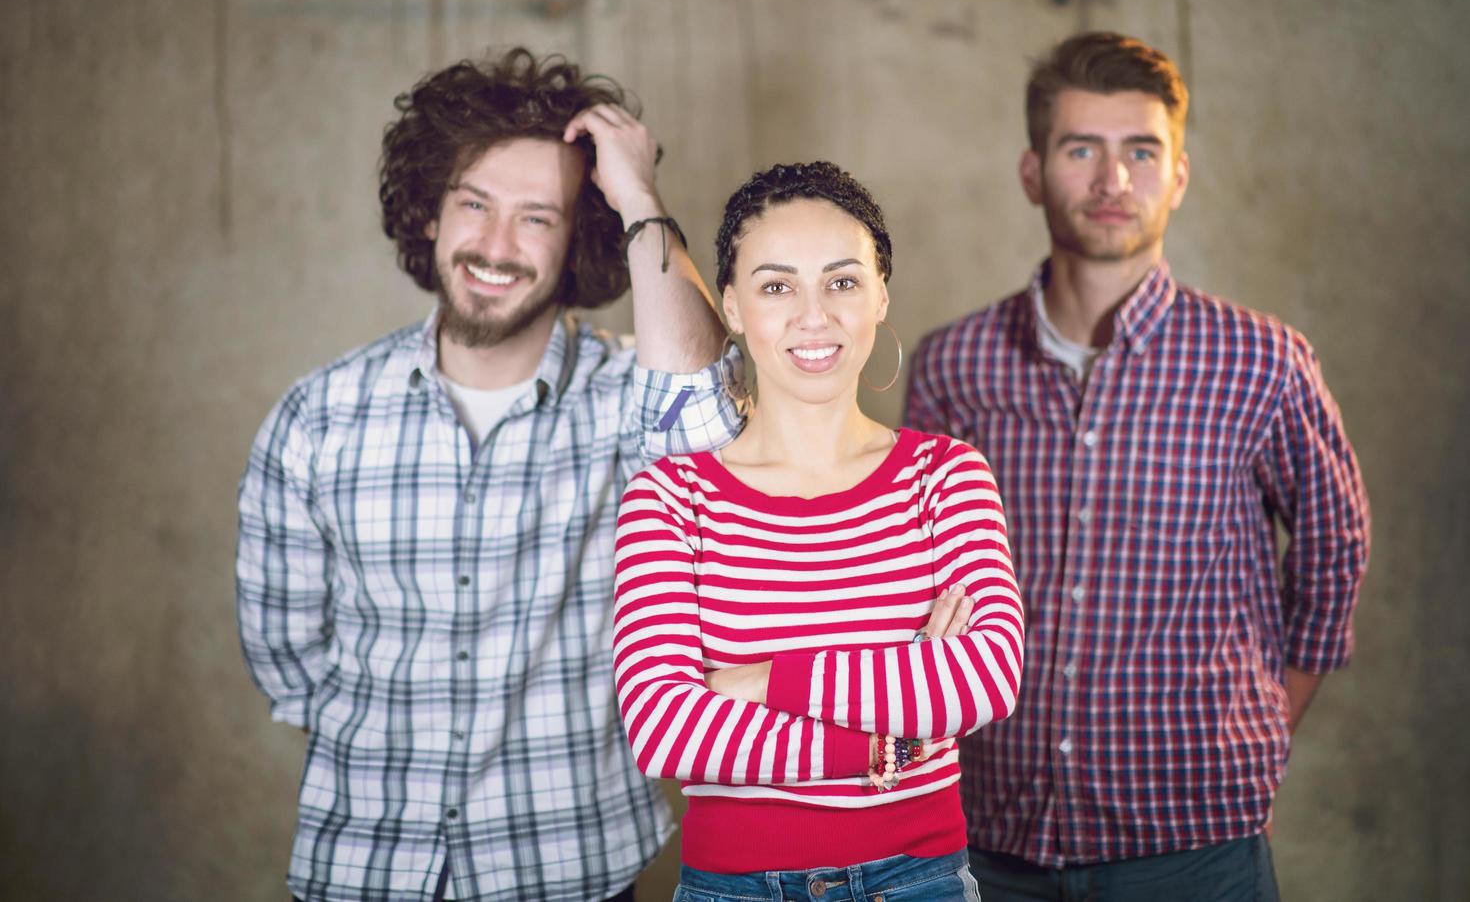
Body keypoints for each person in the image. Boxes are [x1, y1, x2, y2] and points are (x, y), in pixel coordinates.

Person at [235, 48, 744, 902]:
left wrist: (639, 200)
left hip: (574, 868)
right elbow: (288, 656)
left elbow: (707, 429)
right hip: (366, 870)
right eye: (475, 204)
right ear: (429, 211)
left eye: (538, 218)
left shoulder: (630, 398)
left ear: (579, 237)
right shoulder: (317, 416)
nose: (496, 247)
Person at [905, 31, 1371, 901]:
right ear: (1034, 173)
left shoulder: (1262, 361)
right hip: (988, 835)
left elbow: (1334, 550)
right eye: (1081, 149)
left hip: (1194, 842)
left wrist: (1268, 724)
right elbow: (911, 581)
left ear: (1179, 177)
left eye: (1141, 152)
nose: (1113, 181)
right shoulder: (952, 365)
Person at [612, 161, 1026, 902]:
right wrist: (890, 739)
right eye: (777, 286)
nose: (814, 315)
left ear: (879, 295)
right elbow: (665, 729)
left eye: (841, 281)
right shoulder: (670, 498)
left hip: (920, 884)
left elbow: (984, 678)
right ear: (732, 306)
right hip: (729, 891)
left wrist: (766, 680)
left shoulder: (946, 476)